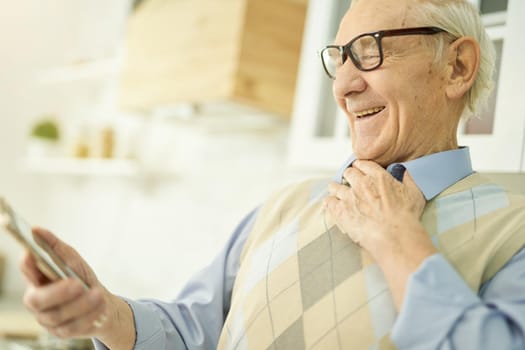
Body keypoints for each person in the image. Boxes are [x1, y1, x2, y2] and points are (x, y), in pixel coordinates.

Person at [20, 0, 525, 349]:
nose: (344, 85)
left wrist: (397, 240)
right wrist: (104, 312)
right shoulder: (286, 203)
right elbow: (195, 331)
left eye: (371, 49)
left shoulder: (515, 231)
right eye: (341, 57)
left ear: (457, 67)